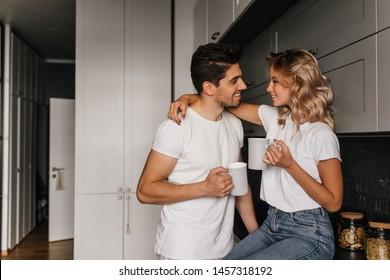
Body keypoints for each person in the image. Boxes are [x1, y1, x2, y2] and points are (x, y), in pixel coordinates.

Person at [168, 48, 343, 260]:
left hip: (309, 233)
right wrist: (187, 97)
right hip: (273, 224)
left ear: (296, 83)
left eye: (275, 81)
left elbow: (333, 202)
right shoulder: (277, 118)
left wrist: (290, 165)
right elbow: (224, 101)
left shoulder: (320, 133)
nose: (269, 88)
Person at [136, 43, 259, 260]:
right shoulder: (177, 127)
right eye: (233, 81)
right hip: (183, 251)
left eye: (240, 77)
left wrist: (256, 237)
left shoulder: (234, 124)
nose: (242, 85)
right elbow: (145, 191)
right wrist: (204, 188)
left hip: (224, 248)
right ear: (209, 88)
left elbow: (240, 184)